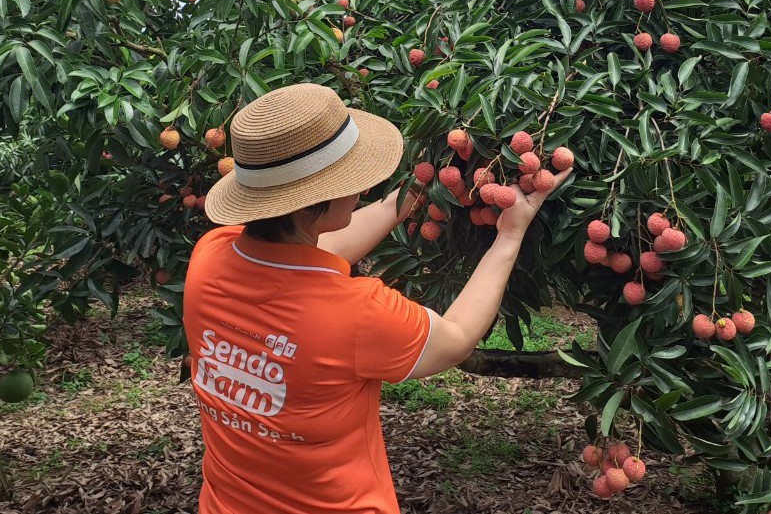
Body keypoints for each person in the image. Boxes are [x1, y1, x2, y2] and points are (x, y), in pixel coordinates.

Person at [182, 83, 571, 514]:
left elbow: (312, 254)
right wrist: (510, 234)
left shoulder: (211, 255)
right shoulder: (357, 312)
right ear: (314, 201)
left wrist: (405, 200)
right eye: (350, 178)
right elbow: (456, 338)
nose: (361, 188)